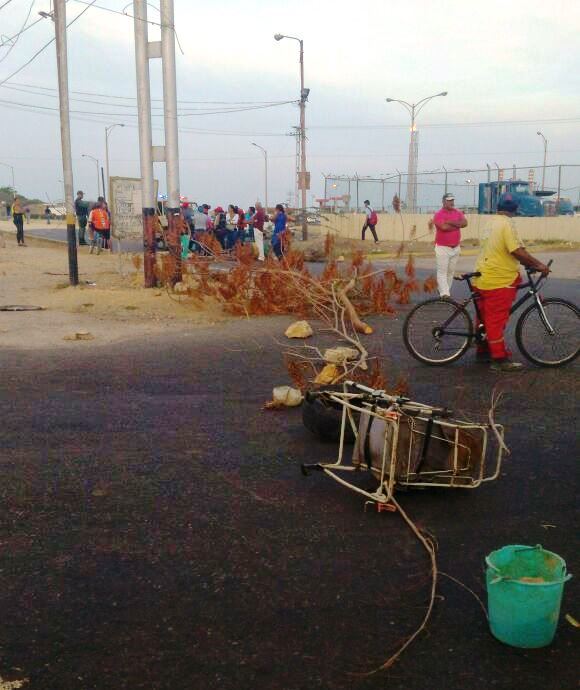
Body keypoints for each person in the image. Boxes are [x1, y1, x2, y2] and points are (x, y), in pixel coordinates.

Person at [473, 197, 550, 373]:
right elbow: (516, 250)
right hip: (499, 279)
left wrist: (527, 262)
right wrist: (538, 265)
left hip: (482, 276)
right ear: (515, 210)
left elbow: (500, 248)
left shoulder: (490, 222)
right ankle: (499, 359)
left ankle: (483, 351)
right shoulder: (507, 224)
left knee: (484, 318)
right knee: (496, 320)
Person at [429, 192, 468, 297]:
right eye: (449, 200)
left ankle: (444, 290)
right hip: (443, 248)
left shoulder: (457, 212)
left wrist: (450, 221)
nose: (452, 202)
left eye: (452, 200)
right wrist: (457, 224)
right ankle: (445, 294)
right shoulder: (438, 214)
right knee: (442, 271)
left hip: (455, 248)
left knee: (450, 272)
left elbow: (465, 223)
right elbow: (443, 227)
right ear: (443, 202)